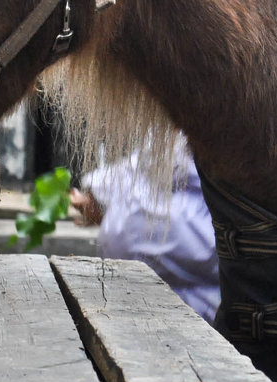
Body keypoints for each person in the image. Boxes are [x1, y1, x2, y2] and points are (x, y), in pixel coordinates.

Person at [70, 135, 220, 322]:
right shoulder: (171, 132)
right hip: (133, 296)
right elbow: (142, 165)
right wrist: (98, 194)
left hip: (198, 303)